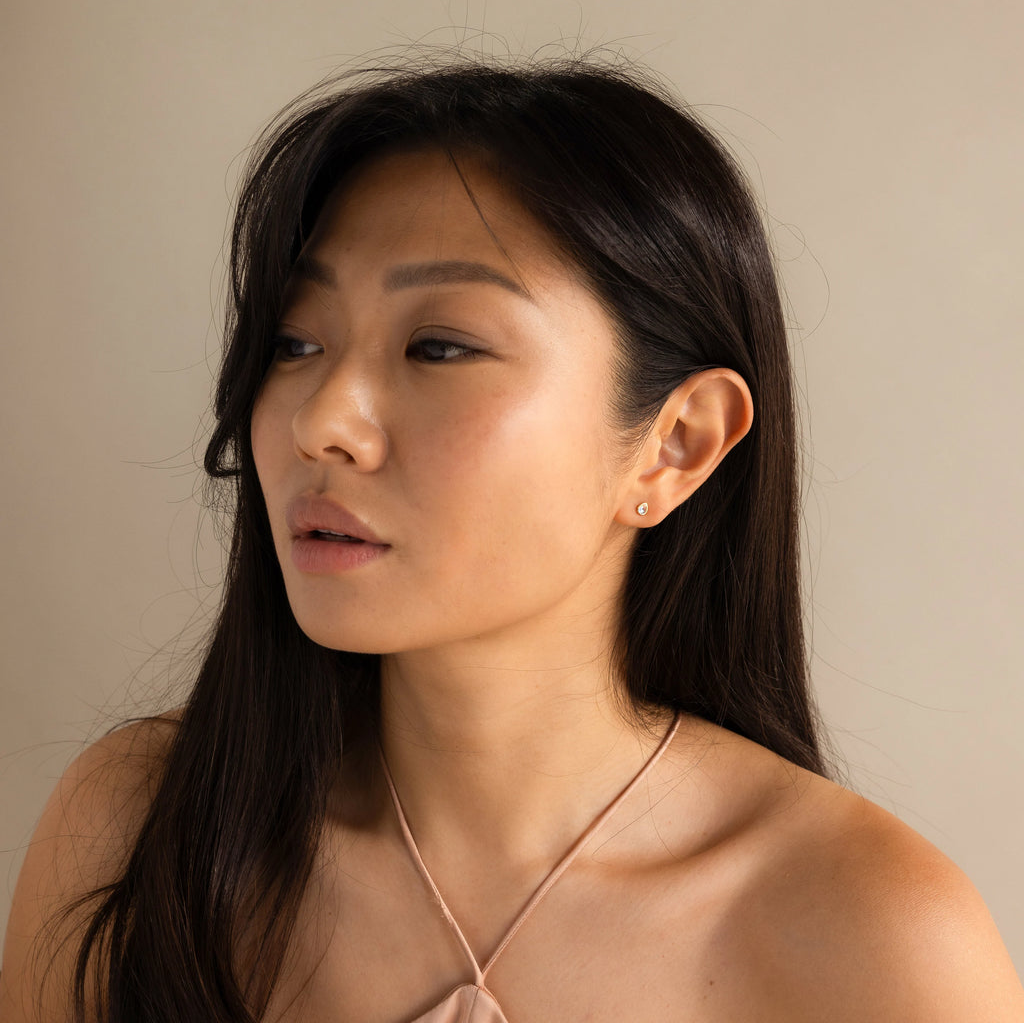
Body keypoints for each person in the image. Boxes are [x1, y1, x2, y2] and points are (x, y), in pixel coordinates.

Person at [1, 56, 1021, 1023]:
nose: (320, 422)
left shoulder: (878, 941)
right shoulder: (140, 832)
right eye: (295, 342)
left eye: (438, 346)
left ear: (674, 444)